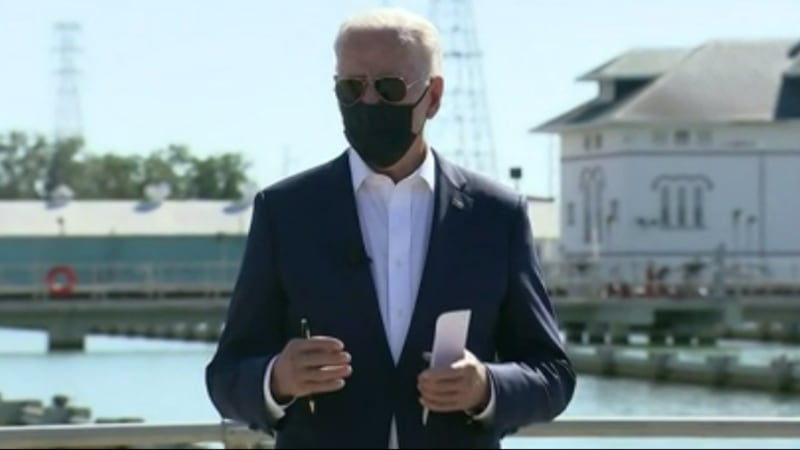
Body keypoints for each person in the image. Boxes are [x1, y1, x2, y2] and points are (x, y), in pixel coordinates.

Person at [205, 7, 576, 449]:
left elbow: (552, 375)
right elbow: (227, 376)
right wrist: (276, 379)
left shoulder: (496, 215)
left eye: (388, 87)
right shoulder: (284, 212)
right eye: (350, 88)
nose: (368, 103)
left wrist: (486, 388)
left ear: (433, 97)